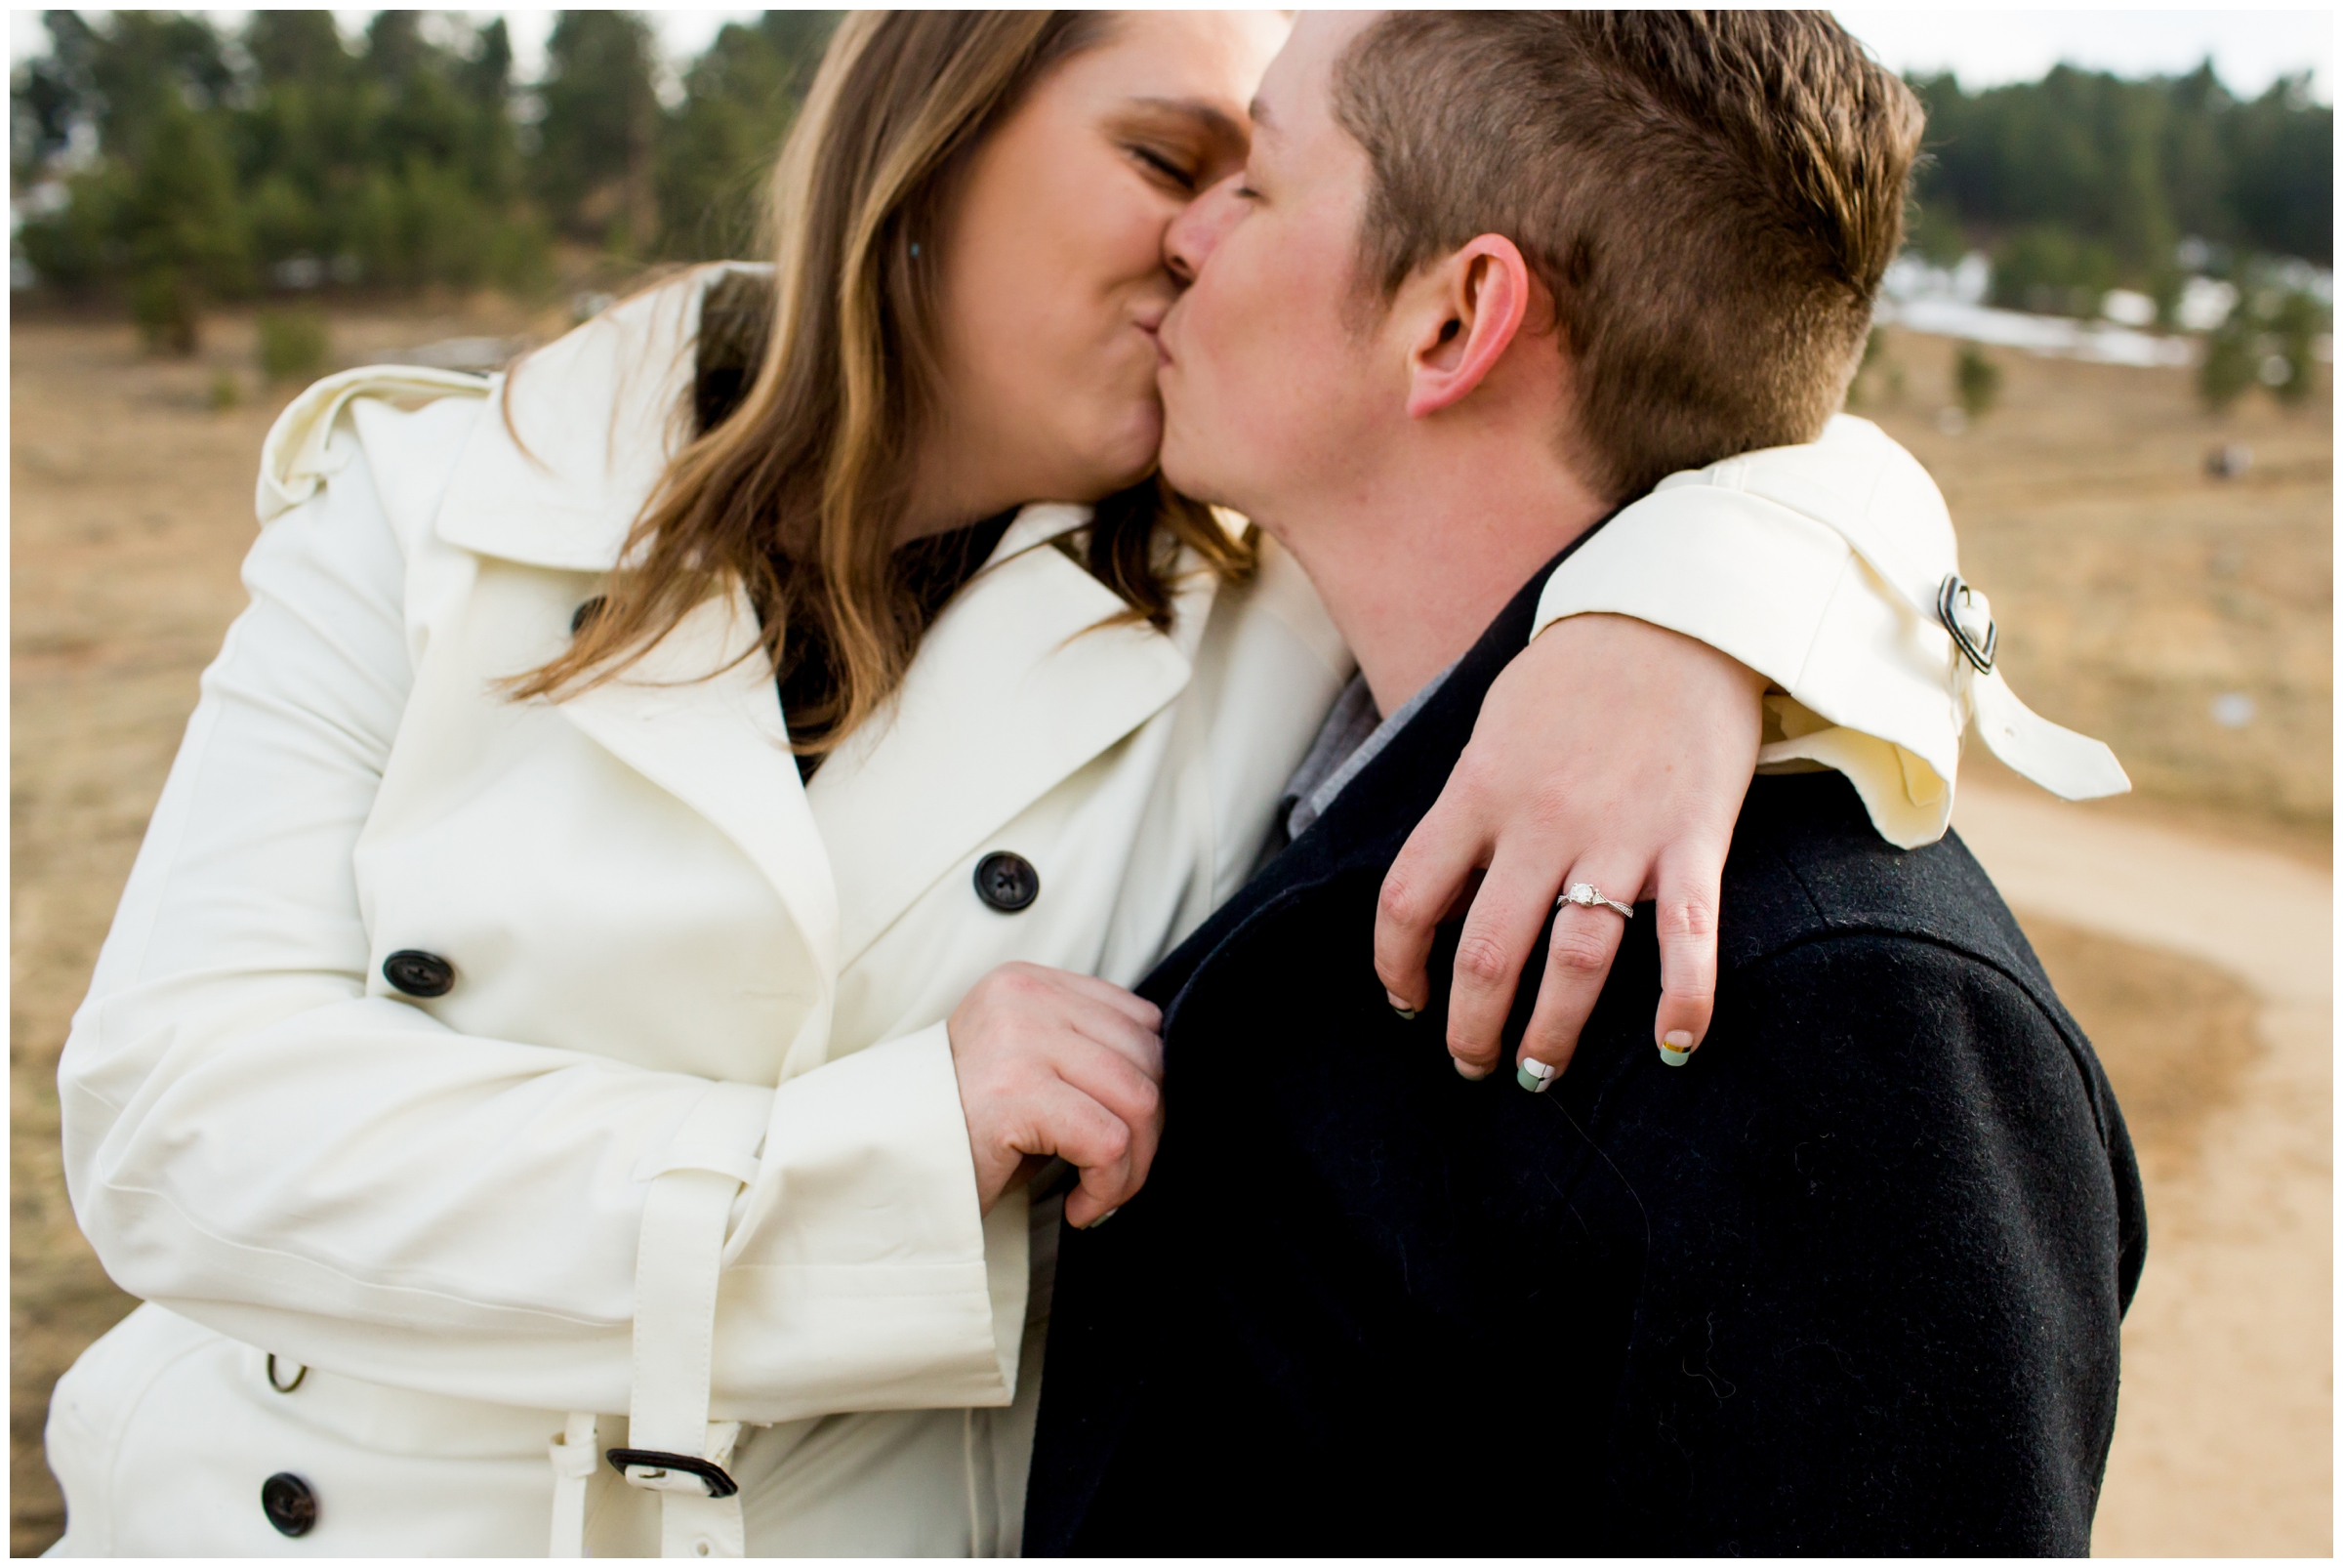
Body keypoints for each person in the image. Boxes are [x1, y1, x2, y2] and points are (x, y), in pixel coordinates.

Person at [47, 10, 2049, 1560]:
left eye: (1253, 176)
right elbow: (167, 1130)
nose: (1201, 235)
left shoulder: (1262, 604)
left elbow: (1724, 382)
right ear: (932, 139)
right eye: (1173, 153)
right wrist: (888, 1155)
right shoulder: (434, 508)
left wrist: (1687, 617)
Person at [1025, 12, 2144, 1556]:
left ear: (1455, 319)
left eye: (1258, 187)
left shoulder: (1851, 1017)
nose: (1185, 238)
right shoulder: (1283, 728)